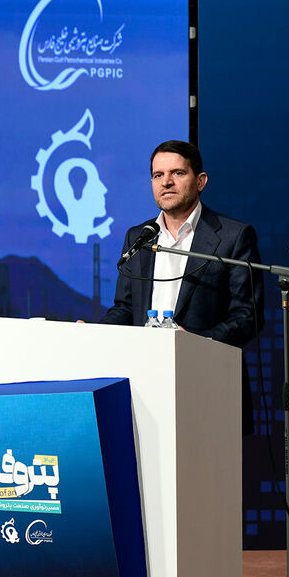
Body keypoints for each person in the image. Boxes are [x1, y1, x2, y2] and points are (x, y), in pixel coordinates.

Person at [99, 140, 264, 431]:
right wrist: (93, 334)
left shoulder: (233, 236)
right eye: (158, 175)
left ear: (200, 181)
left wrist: (194, 343)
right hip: (145, 385)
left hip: (209, 383)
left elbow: (247, 315)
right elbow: (125, 309)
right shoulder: (139, 237)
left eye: (177, 173)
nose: (166, 182)